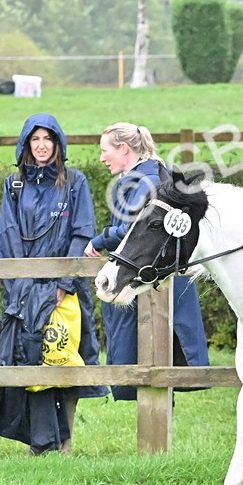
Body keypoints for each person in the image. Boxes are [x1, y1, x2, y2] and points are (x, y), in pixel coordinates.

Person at [0, 114, 108, 454]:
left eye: (47, 139)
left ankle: (64, 442)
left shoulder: (75, 183)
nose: (41, 145)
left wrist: (63, 284)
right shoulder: (14, 185)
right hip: (25, 291)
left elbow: (82, 232)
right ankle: (36, 443)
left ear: (58, 144)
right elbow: (6, 236)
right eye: (34, 139)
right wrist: (22, 287)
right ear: (26, 144)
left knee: (65, 357)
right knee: (30, 357)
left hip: (65, 292)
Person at [86, 122, 210, 400]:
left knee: (155, 351)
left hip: (152, 280)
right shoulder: (140, 178)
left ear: (124, 149)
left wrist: (100, 239)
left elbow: (138, 231)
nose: (102, 157)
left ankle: (158, 426)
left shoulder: (147, 182)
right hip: (142, 275)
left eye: (105, 151)